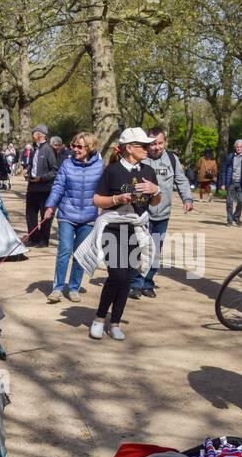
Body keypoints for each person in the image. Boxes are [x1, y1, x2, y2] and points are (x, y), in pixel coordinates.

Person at [88, 127, 161, 341]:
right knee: (117, 275)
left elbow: (156, 202)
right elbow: (97, 200)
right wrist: (117, 199)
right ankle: (100, 318)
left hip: (136, 230)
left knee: (128, 277)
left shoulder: (148, 171)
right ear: (130, 148)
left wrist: (155, 191)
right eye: (144, 145)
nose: (148, 149)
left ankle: (116, 322)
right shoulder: (112, 171)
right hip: (113, 228)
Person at [130, 126, 194, 299]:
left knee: (156, 250)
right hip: (143, 214)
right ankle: (135, 283)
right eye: (153, 144)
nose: (156, 147)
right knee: (141, 248)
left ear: (164, 142)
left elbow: (181, 180)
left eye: (160, 143)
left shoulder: (172, 159)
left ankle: (148, 283)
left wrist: (187, 199)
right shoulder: (140, 159)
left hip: (163, 214)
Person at [42, 131, 103, 303]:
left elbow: (105, 190)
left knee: (80, 254)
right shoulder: (67, 164)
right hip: (67, 214)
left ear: (89, 147)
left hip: (89, 217)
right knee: (65, 250)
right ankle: (57, 288)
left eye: (79, 146)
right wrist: (50, 206)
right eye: (73, 146)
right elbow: (58, 187)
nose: (75, 149)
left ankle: (74, 287)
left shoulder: (100, 165)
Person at [25, 124, 59, 247]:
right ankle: (33, 238)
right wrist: (27, 170)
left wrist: (42, 178)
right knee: (30, 214)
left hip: (44, 189)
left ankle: (43, 240)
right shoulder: (33, 149)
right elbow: (31, 165)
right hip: (32, 187)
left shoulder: (49, 149)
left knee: (45, 216)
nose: (33, 135)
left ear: (40, 134)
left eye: (34, 133)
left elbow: (54, 171)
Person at [219, 138, 242, 226]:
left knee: (241, 201)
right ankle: (230, 220)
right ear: (235, 147)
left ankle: (236, 217)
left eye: (240, 147)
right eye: (237, 147)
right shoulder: (229, 156)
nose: (239, 148)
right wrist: (223, 183)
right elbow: (223, 170)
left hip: (241, 183)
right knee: (229, 202)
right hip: (231, 182)